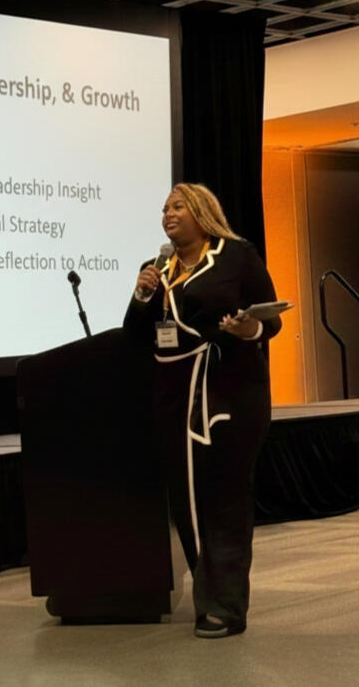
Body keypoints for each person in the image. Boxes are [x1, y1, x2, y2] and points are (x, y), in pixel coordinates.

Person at [123, 182, 282, 639]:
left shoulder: (237, 256)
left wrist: (249, 328)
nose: (168, 215)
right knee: (187, 500)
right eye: (164, 209)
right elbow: (135, 335)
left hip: (230, 390)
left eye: (178, 207)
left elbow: (271, 321)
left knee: (225, 495)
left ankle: (225, 606)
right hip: (174, 396)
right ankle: (207, 594)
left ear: (202, 212)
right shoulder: (156, 268)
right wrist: (141, 295)